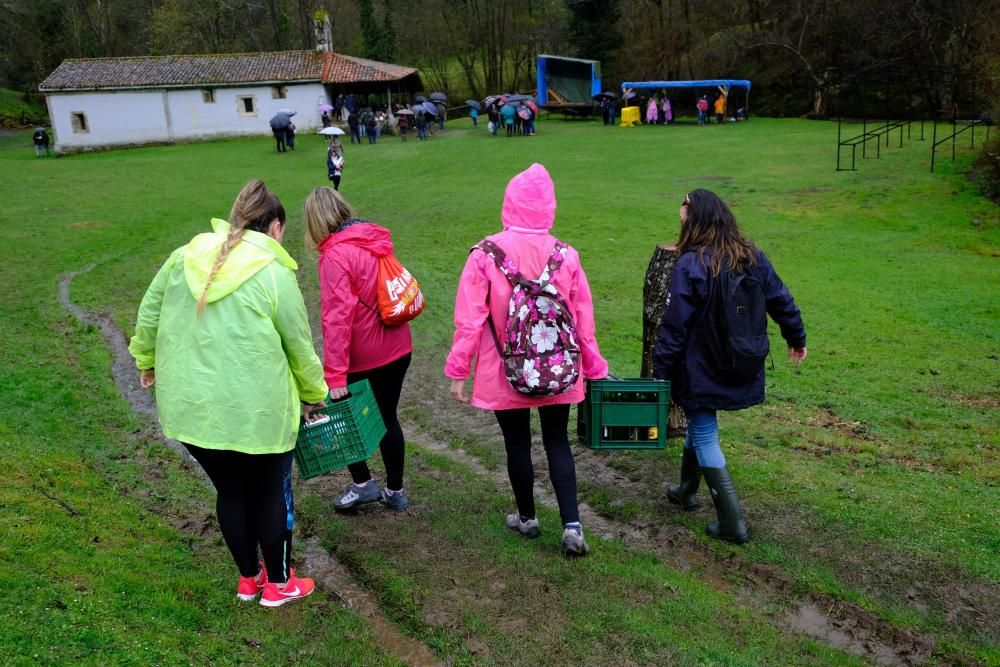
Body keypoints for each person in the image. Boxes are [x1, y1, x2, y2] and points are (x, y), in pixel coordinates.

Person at [128, 180, 327, 606]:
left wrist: (145, 358)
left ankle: (249, 578)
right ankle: (277, 583)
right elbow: (299, 343)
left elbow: (148, 312)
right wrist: (314, 393)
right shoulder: (273, 273)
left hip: (193, 409)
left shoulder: (182, 257)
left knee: (233, 492)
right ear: (275, 227)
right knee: (269, 491)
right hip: (257, 411)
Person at [445, 163, 609, 557]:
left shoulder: (484, 254)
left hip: (506, 368)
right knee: (557, 442)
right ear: (549, 207)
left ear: (509, 203)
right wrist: (595, 365)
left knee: (516, 443)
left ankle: (527, 517)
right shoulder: (566, 256)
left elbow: (470, 320)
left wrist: (458, 371)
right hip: (560, 368)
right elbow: (583, 320)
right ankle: (572, 526)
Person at [653, 189, 807, 545]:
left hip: (701, 366)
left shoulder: (690, 264)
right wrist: (795, 336)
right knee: (699, 422)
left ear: (696, 216)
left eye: (685, 206)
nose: (679, 210)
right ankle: (686, 489)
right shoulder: (751, 256)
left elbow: (675, 326)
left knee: (704, 431)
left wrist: (661, 372)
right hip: (741, 361)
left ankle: (732, 523)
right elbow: (781, 298)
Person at [303, 188, 414, 512]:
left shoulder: (335, 255)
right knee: (388, 418)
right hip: (398, 345)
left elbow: (337, 319)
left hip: (365, 355)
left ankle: (363, 484)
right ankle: (395, 490)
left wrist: (335, 375)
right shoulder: (374, 238)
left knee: (352, 421)